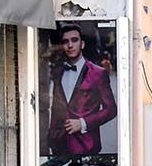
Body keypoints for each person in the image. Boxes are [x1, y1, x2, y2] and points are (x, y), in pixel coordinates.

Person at [46, 25, 117, 157]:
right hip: (59, 145)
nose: (70, 45)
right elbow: (57, 107)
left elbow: (111, 109)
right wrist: (52, 136)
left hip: (86, 145)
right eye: (65, 42)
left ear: (82, 44)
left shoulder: (98, 73)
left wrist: (83, 123)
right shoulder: (58, 71)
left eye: (74, 40)